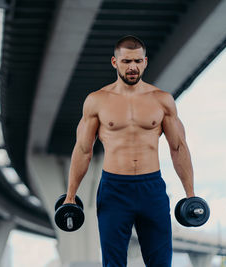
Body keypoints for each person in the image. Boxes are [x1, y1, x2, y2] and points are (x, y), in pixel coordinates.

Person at [62, 35, 195, 267]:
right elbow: (83, 150)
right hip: (114, 191)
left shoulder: (162, 100)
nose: (132, 67)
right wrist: (70, 196)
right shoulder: (97, 101)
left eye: (137, 61)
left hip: (151, 189)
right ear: (115, 62)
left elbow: (178, 147)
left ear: (145, 62)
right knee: (113, 264)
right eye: (126, 62)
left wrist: (190, 195)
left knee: (161, 263)